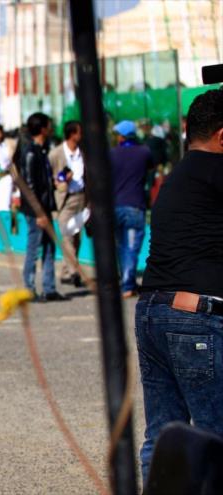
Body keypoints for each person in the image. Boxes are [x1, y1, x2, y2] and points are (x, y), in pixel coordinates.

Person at [135, 87, 223, 482]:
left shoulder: (178, 176)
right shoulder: (217, 172)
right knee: (213, 439)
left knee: (163, 434)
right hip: (197, 318)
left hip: (153, 311)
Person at [19, 113, 66, 302]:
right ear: (42, 128)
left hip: (44, 207)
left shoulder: (42, 150)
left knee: (49, 247)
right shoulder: (30, 152)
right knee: (34, 248)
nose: (51, 127)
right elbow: (30, 186)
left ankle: (49, 287)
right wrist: (38, 212)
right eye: (49, 124)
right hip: (36, 211)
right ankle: (29, 288)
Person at [110, 120, 153, 298]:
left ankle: (127, 282)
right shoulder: (144, 152)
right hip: (135, 204)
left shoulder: (111, 153)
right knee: (132, 247)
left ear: (121, 136)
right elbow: (150, 170)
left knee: (121, 246)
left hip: (116, 204)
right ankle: (128, 283)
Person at [49, 120, 86, 287]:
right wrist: (60, 181)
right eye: (79, 132)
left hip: (82, 198)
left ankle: (65, 271)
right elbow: (49, 177)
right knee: (67, 236)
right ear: (72, 134)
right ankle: (74, 271)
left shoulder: (83, 153)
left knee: (77, 237)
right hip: (64, 199)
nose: (82, 135)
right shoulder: (56, 154)